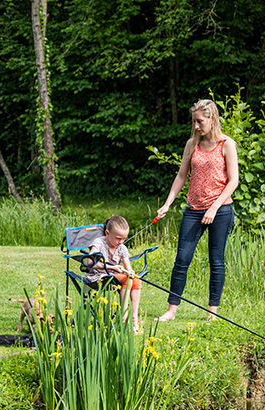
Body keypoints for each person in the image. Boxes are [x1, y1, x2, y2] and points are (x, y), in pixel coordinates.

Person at [155, 99, 239, 322]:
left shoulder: (226, 144)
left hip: (220, 210)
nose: (196, 126)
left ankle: (212, 313)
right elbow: (182, 175)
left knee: (216, 260)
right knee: (182, 258)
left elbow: (233, 181)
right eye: (194, 121)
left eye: (200, 121)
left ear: (212, 119)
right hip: (193, 209)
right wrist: (167, 203)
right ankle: (171, 311)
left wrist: (214, 207)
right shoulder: (192, 144)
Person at [84, 216, 143, 333]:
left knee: (136, 280)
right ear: (107, 233)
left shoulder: (121, 247)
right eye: (118, 238)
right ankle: (123, 319)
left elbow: (128, 268)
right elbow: (90, 262)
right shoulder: (98, 243)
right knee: (127, 280)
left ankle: (134, 319)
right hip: (98, 277)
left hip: (114, 277)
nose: (121, 242)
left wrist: (131, 272)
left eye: (123, 238)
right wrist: (112, 267)